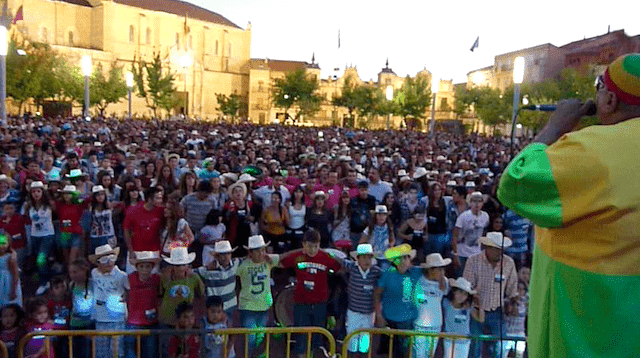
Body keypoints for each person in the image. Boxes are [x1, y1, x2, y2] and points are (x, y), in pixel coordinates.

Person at [497, 54, 640, 358]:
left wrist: (555, 126)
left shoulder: (592, 149)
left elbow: (516, 183)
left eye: (598, 86)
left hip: (581, 326)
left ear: (610, 100)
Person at [279, 229, 342, 358]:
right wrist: (296, 251)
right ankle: (301, 354)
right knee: (301, 333)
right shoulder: (297, 256)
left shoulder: (325, 257)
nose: (312, 250)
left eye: (315, 246)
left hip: (320, 302)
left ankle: (315, 353)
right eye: (309, 246)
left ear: (319, 245)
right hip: (301, 302)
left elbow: (340, 267)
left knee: (318, 334)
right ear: (303, 245)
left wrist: (327, 253)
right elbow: (280, 262)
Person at [463, 232, 518, 358]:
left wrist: (513, 303)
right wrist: (473, 295)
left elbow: (512, 289)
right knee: (475, 348)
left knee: (499, 349)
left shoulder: (508, 263)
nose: (499, 252)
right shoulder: (473, 260)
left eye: (501, 249)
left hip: (497, 312)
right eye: (496, 249)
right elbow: (466, 287)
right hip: (476, 311)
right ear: (487, 247)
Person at [374, 244, 422, 358]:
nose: (404, 261)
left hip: (407, 320)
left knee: (404, 353)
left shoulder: (416, 272)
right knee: (387, 352)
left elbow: (432, 270)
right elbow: (377, 294)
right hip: (388, 320)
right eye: (401, 258)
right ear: (395, 261)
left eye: (407, 257)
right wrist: (378, 315)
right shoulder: (387, 274)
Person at [236, 235, 278, 356]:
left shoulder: (268, 261)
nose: (261, 253)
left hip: (264, 307)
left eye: (263, 250)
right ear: (250, 252)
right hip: (248, 308)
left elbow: (282, 258)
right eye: (258, 250)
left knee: (260, 337)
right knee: (251, 338)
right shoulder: (242, 265)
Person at [342, 244, 382, 358]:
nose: (366, 260)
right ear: (357, 259)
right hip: (353, 312)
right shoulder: (351, 267)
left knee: (365, 342)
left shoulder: (376, 272)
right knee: (352, 340)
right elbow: (338, 259)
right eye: (363, 257)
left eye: (369, 257)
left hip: (369, 313)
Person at [89, 244, 128, 358]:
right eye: (104, 260)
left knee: (117, 351)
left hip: (117, 318)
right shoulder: (94, 273)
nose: (109, 262)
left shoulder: (122, 276)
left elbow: (130, 290)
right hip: (100, 318)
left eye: (111, 258)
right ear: (98, 263)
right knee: (101, 352)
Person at [413, 253, 450, 358]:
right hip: (420, 322)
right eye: (438, 269)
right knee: (419, 354)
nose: (441, 272)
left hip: (436, 324)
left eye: (441, 269)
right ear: (430, 270)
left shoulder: (444, 282)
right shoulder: (419, 280)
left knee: (430, 354)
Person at [125, 251, 161, 358]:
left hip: (151, 322)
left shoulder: (157, 279)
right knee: (130, 353)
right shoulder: (129, 278)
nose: (144, 269)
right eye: (141, 266)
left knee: (149, 353)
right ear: (137, 267)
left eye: (148, 266)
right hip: (133, 322)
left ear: (152, 267)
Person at [158, 247, 205, 327]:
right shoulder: (165, 277)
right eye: (177, 265)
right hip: (167, 320)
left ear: (188, 265)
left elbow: (201, 293)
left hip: (186, 321)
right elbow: (159, 294)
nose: (180, 268)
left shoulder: (194, 278)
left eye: (183, 265)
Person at [197, 240, 240, 320]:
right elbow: (192, 272)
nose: (226, 257)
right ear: (217, 256)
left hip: (230, 307)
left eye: (228, 253)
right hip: (213, 309)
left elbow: (248, 259)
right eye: (223, 254)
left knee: (228, 331)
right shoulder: (208, 269)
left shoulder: (236, 263)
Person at [442, 278, 484, 358]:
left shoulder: (468, 308)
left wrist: (480, 304)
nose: (462, 296)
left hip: (464, 341)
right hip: (449, 340)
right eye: (460, 292)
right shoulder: (446, 303)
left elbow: (481, 319)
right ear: (454, 291)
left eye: (465, 294)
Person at [451, 191, 489, 276]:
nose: (477, 204)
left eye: (479, 201)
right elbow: (455, 235)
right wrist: (455, 254)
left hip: (476, 253)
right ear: (470, 203)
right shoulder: (463, 216)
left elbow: (483, 234)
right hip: (462, 253)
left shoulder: (485, 216)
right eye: (474, 201)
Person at [68, 258, 95, 358]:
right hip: (74, 324)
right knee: (76, 352)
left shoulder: (92, 284)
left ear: (84, 270)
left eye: (75, 271)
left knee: (87, 352)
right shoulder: (71, 285)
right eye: (70, 272)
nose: (72, 275)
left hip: (89, 324)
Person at [0, 233, 20, 307]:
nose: (2, 246)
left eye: (4, 243)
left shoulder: (10, 258)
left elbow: (15, 274)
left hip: (7, 283)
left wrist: (13, 291)